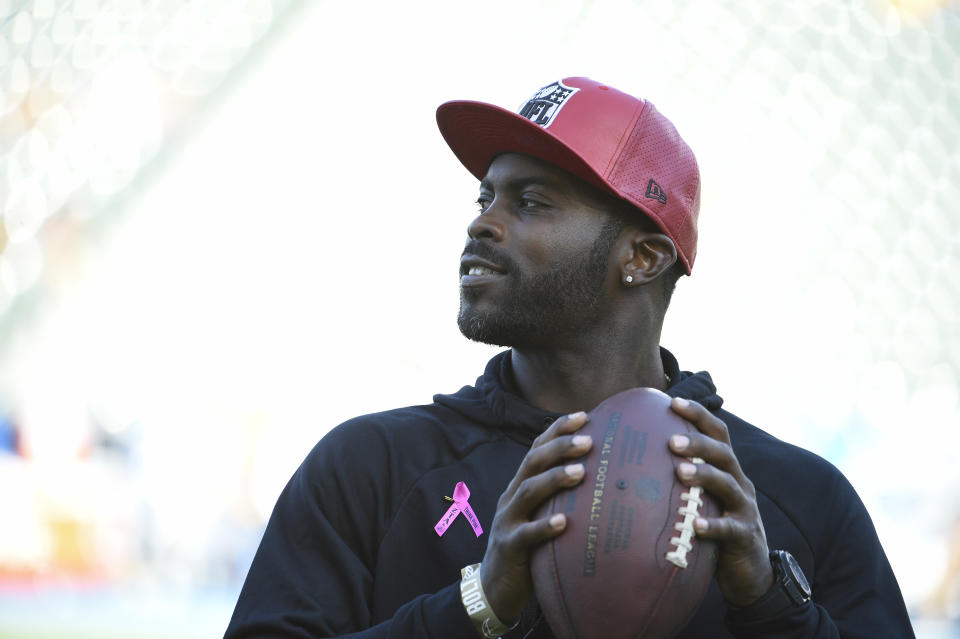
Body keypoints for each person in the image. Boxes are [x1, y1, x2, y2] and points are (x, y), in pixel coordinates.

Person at [225, 77, 914, 638]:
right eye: (485, 195)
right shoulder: (371, 467)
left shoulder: (791, 498)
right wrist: (478, 604)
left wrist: (772, 605)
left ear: (642, 257)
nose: (482, 221)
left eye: (530, 201)